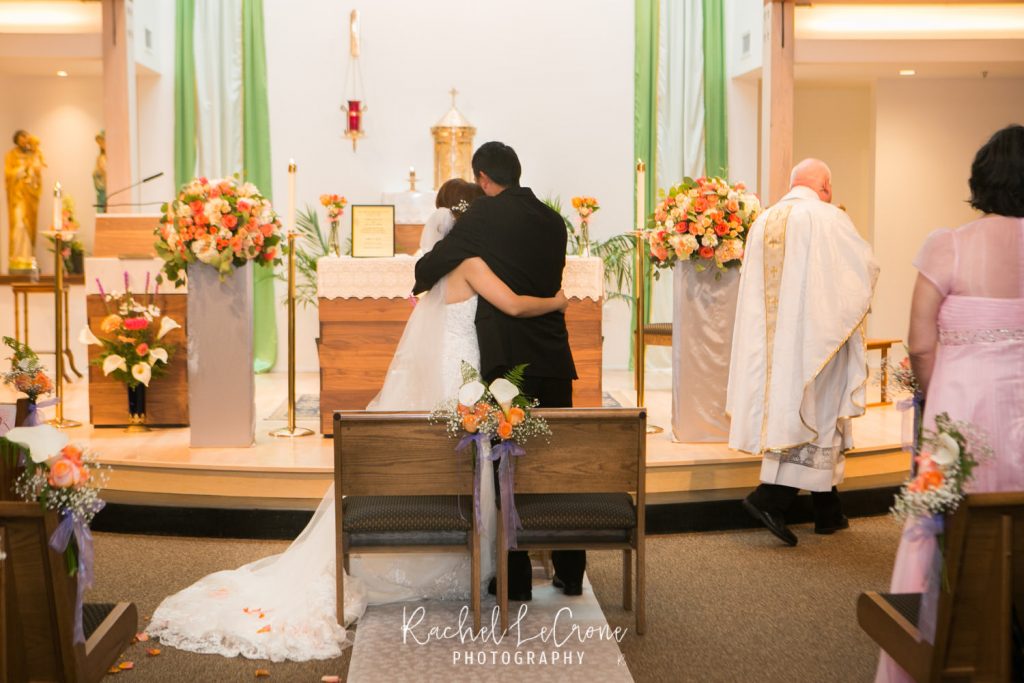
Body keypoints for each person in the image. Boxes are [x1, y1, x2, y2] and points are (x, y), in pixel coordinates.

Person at [146, 185, 567, 663]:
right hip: (463, 372)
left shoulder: (435, 266)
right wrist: (556, 302)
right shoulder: (472, 263)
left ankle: (440, 543)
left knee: (429, 455)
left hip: (447, 365)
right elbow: (513, 305)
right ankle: (468, 554)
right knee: (465, 455)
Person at [875, 124, 1024, 682]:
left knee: (940, 528)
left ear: (981, 179)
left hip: (960, 415)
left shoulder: (949, 244)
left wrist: (938, 405)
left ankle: (942, 654)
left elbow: (919, 343)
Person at [414, 141, 581, 600]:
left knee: (509, 466)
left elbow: (429, 269)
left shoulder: (482, 216)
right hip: (554, 355)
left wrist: (424, 271)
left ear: (483, 179)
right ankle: (570, 570)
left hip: (508, 361)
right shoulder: (553, 220)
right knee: (558, 464)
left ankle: (518, 578)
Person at [727, 158, 879, 546]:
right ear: (824, 187)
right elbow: (862, 269)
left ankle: (828, 511)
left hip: (776, 349)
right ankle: (769, 499)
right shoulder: (829, 217)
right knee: (818, 417)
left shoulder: (764, 220)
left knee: (805, 416)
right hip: (816, 341)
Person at [4, 130, 45, 273]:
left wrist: (34, 172)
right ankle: (17, 257)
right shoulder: (10, 155)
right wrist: (22, 169)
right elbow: (8, 175)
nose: (25, 140)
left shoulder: (32, 155)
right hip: (17, 197)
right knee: (19, 225)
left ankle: (28, 257)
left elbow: (37, 175)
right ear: (16, 139)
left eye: (26, 137)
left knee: (28, 226)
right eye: (22, 137)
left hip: (29, 196)